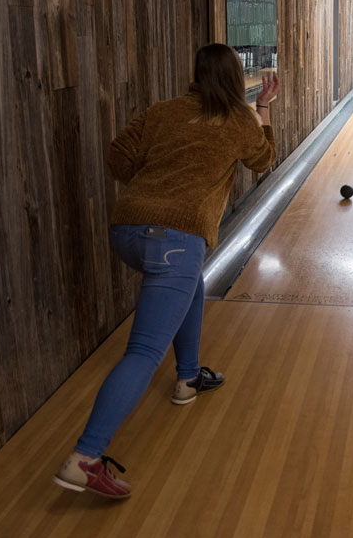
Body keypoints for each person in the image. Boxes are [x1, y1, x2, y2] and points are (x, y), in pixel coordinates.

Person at [54, 44, 279, 498]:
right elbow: (263, 161)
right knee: (142, 351)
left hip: (128, 231)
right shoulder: (237, 120)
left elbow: (119, 156)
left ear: (195, 74)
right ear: (237, 79)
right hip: (175, 239)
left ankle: (188, 378)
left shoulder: (162, 112)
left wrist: (157, 174)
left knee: (189, 283)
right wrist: (262, 109)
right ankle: (85, 458)